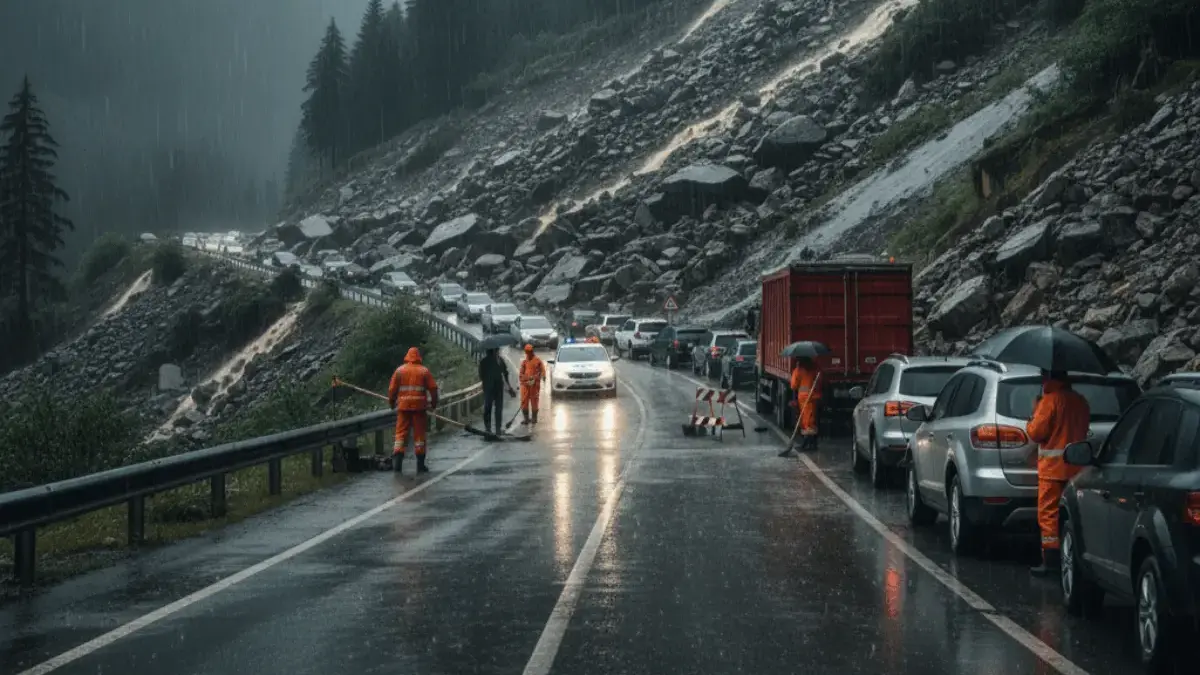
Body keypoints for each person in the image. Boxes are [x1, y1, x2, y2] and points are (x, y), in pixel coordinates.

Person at [1025, 370, 1090, 577]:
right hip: (1077, 470)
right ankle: (1072, 557)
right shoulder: (1080, 402)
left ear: (1049, 378)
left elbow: (1035, 433)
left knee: (1049, 516)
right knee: (1074, 515)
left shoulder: (1049, 401)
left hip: (1053, 470)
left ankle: (1051, 561)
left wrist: (1033, 413)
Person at [387, 347, 439, 474]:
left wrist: (392, 402)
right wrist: (433, 403)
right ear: (418, 357)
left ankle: (397, 464)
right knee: (419, 435)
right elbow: (433, 388)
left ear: (407, 356)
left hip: (403, 407)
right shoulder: (424, 371)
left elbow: (392, 389)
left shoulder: (399, 371)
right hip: (419, 408)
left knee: (400, 435)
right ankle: (420, 465)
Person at [781, 356, 821, 456]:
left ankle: (807, 444)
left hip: (804, 399)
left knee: (806, 422)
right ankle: (812, 443)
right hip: (814, 397)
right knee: (812, 419)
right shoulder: (815, 370)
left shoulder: (798, 370)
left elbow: (793, 385)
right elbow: (820, 382)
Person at [479, 348, 516, 434]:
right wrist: (509, 387)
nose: (498, 352)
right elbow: (505, 374)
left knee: (488, 408)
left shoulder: (483, 362)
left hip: (489, 387)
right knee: (497, 409)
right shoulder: (499, 360)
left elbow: (481, 375)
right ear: (494, 351)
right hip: (496, 388)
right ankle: (497, 429)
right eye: (497, 350)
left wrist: (509, 388)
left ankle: (488, 429)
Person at [519, 344, 547, 425]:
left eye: (530, 351)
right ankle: (526, 419)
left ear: (532, 351)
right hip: (526, 385)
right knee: (524, 402)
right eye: (527, 352)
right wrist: (526, 381)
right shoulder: (524, 362)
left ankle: (534, 418)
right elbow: (521, 374)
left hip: (534, 385)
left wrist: (543, 376)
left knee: (534, 401)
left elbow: (542, 370)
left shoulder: (537, 361)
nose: (528, 353)